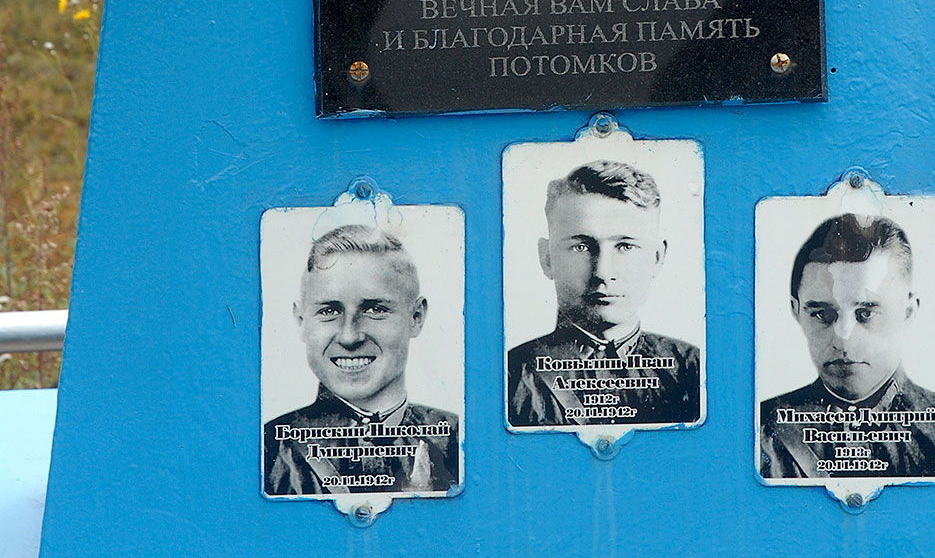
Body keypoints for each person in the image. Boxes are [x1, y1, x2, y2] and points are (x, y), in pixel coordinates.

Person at [264, 224, 459, 496]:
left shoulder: (458, 440)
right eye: (329, 311)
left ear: (416, 317)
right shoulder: (269, 451)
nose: (349, 336)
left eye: (375, 309)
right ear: (301, 321)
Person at [507, 160, 701, 428]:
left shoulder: (694, 371)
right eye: (581, 247)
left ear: (657, 257)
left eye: (625, 247)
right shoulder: (510, 375)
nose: (603, 273)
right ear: (547, 258)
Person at [760, 212, 935, 479]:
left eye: (866, 313)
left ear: (907, 311)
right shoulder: (760, 432)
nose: (843, 339)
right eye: (822, 314)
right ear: (796, 311)